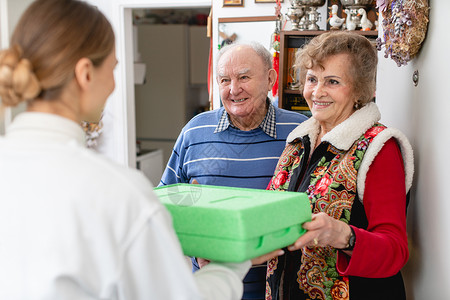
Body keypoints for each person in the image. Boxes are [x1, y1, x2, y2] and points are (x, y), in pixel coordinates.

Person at [0, 1, 281, 299]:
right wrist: (233, 261)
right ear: (85, 74)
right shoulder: (116, 191)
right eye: (113, 69)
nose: (112, 86)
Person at [265, 31, 414, 300]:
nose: (317, 91)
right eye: (312, 79)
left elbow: (396, 251)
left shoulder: (379, 147)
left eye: (332, 81)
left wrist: (342, 235)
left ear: (359, 89)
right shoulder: (297, 143)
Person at [159, 42, 308, 299]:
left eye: (244, 77)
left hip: (282, 289)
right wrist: (195, 245)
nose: (233, 89)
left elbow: (315, 204)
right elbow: (165, 205)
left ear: (270, 78)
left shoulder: (300, 131)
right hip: (210, 288)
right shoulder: (194, 131)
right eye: (224, 80)